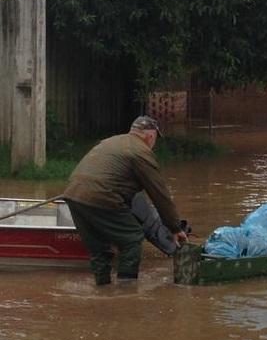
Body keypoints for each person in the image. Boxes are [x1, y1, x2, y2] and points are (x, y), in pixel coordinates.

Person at [63, 116, 187, 285]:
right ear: (150, 136)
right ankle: (126, 290)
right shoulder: (141, 152)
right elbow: (159, 194)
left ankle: (103, 288)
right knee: (133, 238)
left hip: (73, 195)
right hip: (102, 196)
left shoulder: (110, 141)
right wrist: (175, 227)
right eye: (155, 139)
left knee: (99, 249)